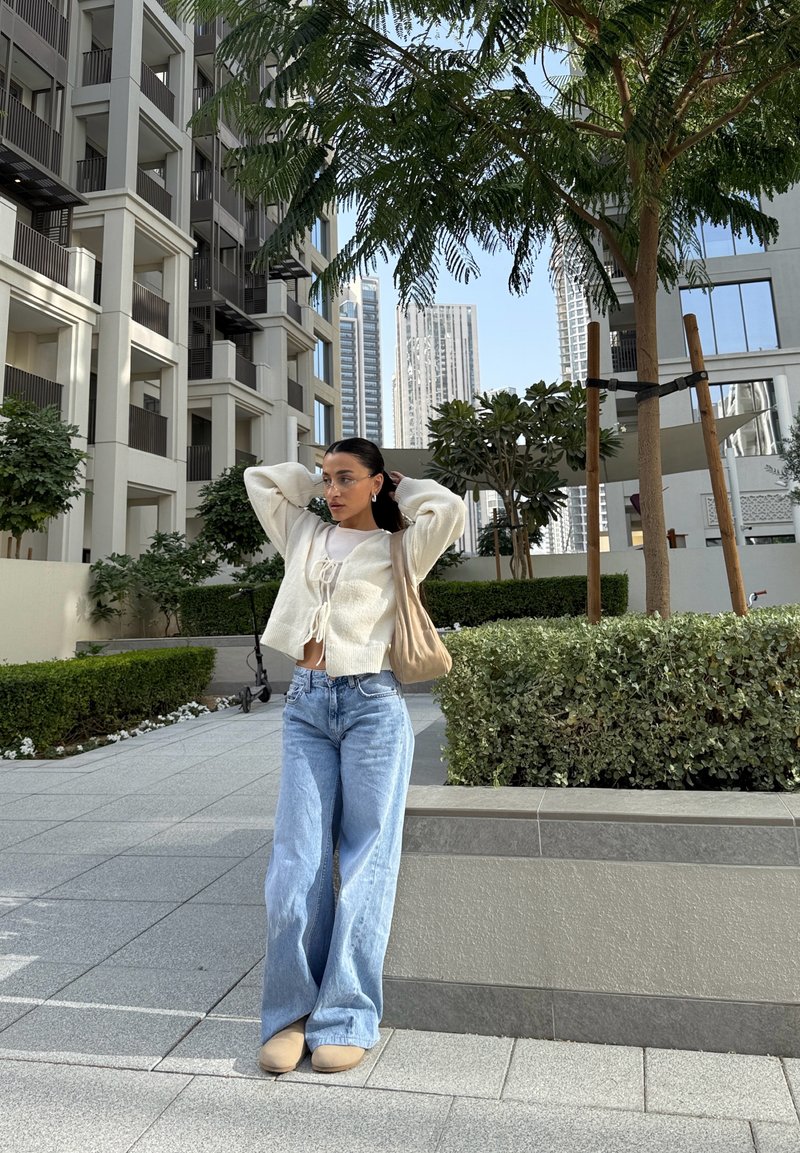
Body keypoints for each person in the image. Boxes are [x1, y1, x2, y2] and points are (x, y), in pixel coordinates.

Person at [243, 438, 465, 1075]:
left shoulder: (401, 548)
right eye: (326, 479)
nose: (333, 490)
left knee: (367, 861)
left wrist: (400, 487)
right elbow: (261, 479)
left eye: (346, 479)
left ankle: (347, 1016)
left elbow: (446, 509)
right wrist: (316, 484)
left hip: (373, 705)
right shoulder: (304, 534)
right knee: (295, 864)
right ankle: (288, 1014)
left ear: (376, 484)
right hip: (307, 706)